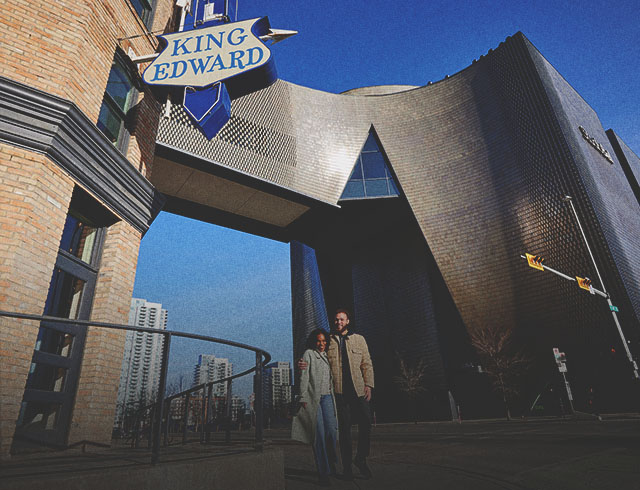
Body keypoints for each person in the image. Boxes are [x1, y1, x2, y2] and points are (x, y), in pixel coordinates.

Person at [299, 309, 374, 480]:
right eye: (336, 320)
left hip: (359, 390)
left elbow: (367, 363)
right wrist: (301, 363)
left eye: (342, 320)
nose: (338, 322)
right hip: (339, 393)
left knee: (367, 421)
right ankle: (347, 467)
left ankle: (361, 458)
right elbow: (314, 353)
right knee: (344, 431)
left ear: (347, 321)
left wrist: (369, 384)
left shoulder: (359, 339)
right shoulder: (329, 340)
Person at [291, 329, 338, 487]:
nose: (322, 343)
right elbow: (304, 376)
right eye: (319, 341)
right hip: (314, 399)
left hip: (328, 398)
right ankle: (323, 472)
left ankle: (332, 464)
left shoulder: (327, 356)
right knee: (318, 436)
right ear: (314, 341)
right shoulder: (308, 354)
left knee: (332, 431)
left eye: (324, 341)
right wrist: (303, 396)